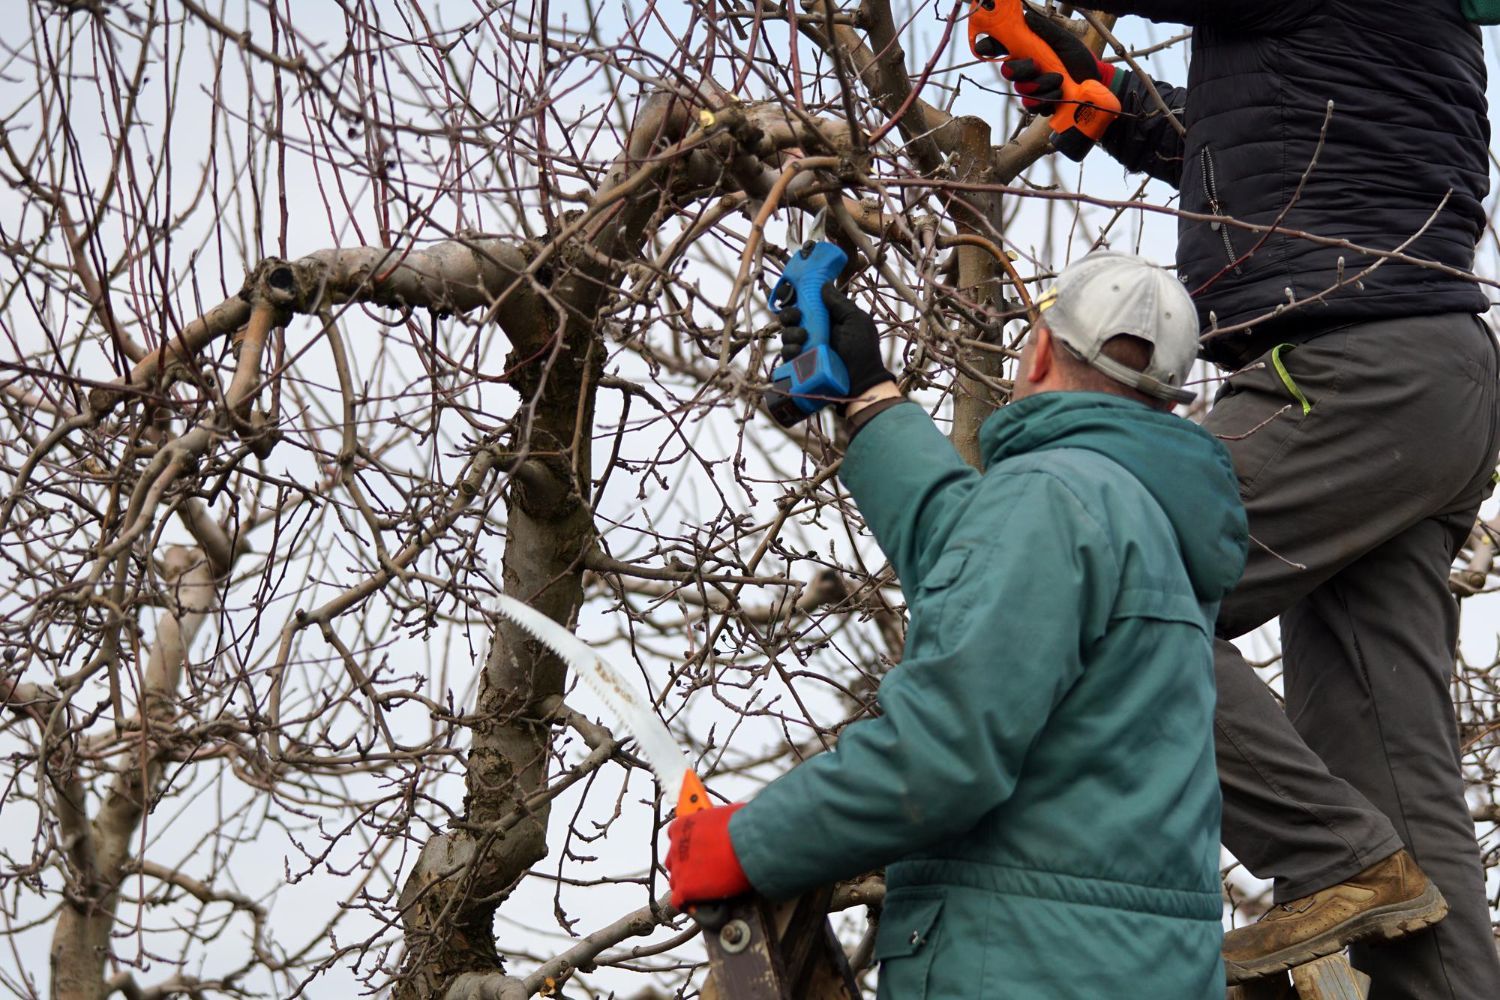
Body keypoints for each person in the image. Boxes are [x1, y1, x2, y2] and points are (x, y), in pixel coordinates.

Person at [997, 3, 1500, 995]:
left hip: (1350, 370)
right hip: (1420, 384)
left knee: (1091, 575)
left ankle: (1339, 857)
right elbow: (1286, 148)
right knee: (1392, 766)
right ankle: (1396, 906)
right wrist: (1118, 109)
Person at [666, 252, 1249, 998]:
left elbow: (940, 754)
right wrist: (870, 395)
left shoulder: (1047, 499)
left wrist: (746, 843)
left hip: (1022, 971)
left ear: (1036, 349)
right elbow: (977, 578)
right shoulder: (1145, 513)